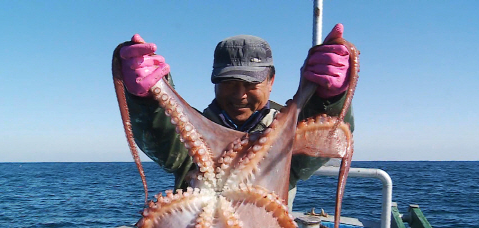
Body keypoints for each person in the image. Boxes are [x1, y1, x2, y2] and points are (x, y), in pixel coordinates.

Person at [119, 24, 354, 211]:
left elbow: (322, 144)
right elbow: (164, 144)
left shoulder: (287, 139)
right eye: (228, 83)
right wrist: (148, 101)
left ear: (271, 81)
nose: (239, 94)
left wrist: (329, 100)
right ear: (214, 82)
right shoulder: (190, 135)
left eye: (251, 83)